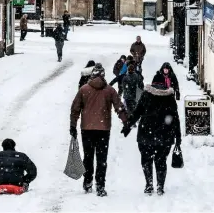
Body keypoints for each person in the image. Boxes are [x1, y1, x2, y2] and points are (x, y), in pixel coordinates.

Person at [70, 63, 128, 197]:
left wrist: (73, 125)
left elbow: (75, 109)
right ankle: (100, 185)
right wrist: (126, 121)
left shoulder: (84, 89)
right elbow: (119, 107)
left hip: (87, 129)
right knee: (102, 158)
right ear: (103, 76)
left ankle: (88, 181)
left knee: (88, 157)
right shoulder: (109, 90)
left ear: (92, 75)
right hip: (103, 129)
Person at [121, 71, 182, 196]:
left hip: (146, 134)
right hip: (164, 135)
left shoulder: (146, 95)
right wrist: (178, 137)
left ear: (153, 83)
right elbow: (175, 118)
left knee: (146, 160)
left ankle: (149, 184)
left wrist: (128, 126)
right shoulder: (169, 97)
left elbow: (137, 112)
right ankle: (160, 186)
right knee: (161, 161)